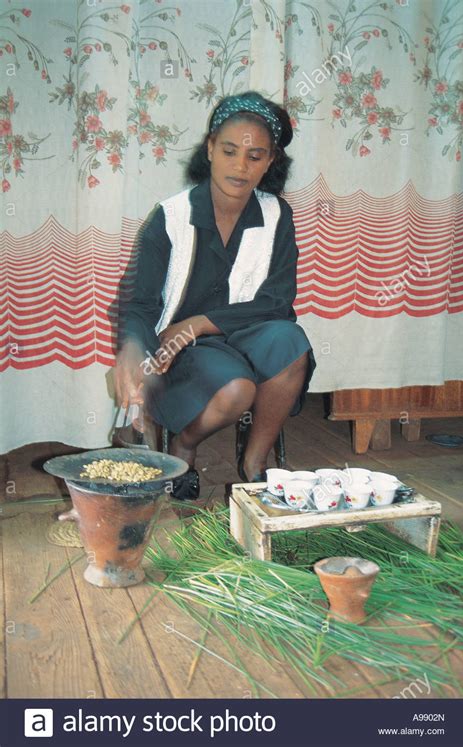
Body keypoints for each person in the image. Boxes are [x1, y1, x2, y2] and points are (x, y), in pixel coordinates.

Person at [114, 91, 316, 501]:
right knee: (237, 390)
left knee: (291, 342)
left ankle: (254, 464)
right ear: (209, 149)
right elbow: (139, 304)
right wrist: (132, 350)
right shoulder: (169, 217)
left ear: (271, 161)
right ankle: (185, 445)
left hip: (245, 332)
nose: (240, 166)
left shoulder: (278, 214)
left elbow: (280, 301)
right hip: (187, 350)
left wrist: (199, 323)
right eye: (229, 151)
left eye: (256, 156)